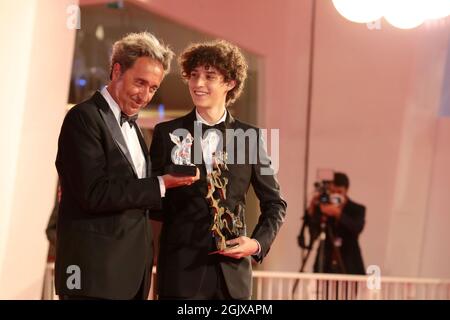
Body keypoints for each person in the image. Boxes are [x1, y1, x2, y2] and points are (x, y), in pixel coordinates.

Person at [55, 32, 199, 300]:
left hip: (131, 279)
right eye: (140, 83)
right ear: (117, 70)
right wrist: (160, 183)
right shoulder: (83, 118)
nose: (145, 95)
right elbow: (94, 193)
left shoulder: (135, 129)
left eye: (153, 88)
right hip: (92, 278)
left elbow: (136, 195)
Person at [150, 40, 287, 300]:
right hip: (180, 273)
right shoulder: (166, 134)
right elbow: (152, 201)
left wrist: (256, 244)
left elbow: (275, 203)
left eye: (209, 76)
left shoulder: (250, 137)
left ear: (230, 83)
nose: (198, 84)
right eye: (193, 75)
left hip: (232, 277)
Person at [307, 172, 366, 275]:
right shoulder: (323, 208)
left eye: (339, 192)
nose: (336, 195)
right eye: (333, 192)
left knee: (350, 291)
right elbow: (313, 235)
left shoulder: (357, 209)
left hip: (349, 264)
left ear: (346, 190)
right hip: (325, 264)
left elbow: (357, 228)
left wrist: (338, 214)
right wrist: (312, 211)